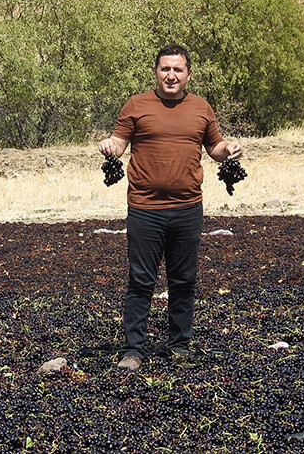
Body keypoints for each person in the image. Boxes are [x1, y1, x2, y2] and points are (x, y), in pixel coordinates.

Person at [98, 44, 243, 371]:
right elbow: (119, 143)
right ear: (156, 72)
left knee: (183, 281)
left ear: (188, 74)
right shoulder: (137, 105)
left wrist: (229, 149)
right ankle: (133, 351)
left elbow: (215, 148)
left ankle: (179, 346)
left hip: (188, 208)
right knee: (140, 281)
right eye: (165, 69)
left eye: (178, 69)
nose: (171, 75)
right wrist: (109, 145)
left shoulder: (201, 107)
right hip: (145, 208)